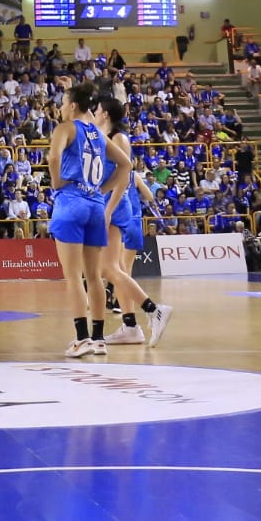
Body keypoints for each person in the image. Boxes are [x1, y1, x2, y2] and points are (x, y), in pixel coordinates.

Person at [48, 79, 126, 359]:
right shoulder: (96, 132)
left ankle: (81, 339)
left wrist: (57, 182)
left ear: (72, 106)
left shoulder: (64, 129)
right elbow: (126, 164)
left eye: (62, 103)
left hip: (71, 203)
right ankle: (99, 338)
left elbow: (53, 158)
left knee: (73, 278)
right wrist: (102, 189)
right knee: (94, 277)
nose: (59, 108)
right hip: (95, 206)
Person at [97, 97, 171, 347]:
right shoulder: (102, 135)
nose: (94, 112)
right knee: (114, 269)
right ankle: (131, 326)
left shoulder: (119, 138)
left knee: (111, 269)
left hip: (115, 206)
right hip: (108, 204)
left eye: (97, 109)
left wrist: (108, 209)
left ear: (105, 113)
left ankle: (153, 310)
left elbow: (122, 179)